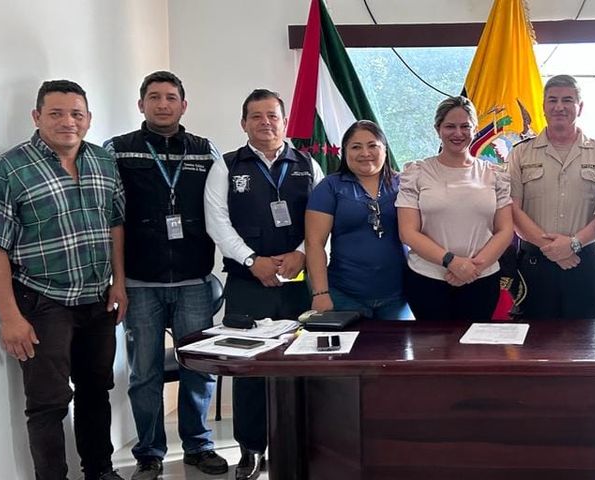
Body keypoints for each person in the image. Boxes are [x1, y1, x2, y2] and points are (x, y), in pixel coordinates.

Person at [0, 80, 127, 480]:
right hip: (42, 301)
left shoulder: (103, 161)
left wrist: (119, 282)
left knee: (96, 391)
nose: (68, 121)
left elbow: (115, 224)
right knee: (48, 403)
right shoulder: (8, 170)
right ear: (37, 117)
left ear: (88, 119)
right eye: (56, 113)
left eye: (76, 114)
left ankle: (100, 471)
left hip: (97, 299)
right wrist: (10, 317)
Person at [103, 71, 227, 479]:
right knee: (145, 374)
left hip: (194, 280)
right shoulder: (118, 150)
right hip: (140, 283)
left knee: (198, 367)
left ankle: (199, 446)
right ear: (141, 104)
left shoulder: (206, 152)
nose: (162, 104)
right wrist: (117, 279)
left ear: (183, 105)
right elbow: (109, 217)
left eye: (171, 97)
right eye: (154, 97)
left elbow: (221, 209)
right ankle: (149, 453)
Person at [204, 89, 323, 480]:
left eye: (272, 115)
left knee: (301, 363)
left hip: (297, 282)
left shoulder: (307, 165)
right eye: (256, 116)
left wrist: (302, 254)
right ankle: (251, 449)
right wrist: (251, 261)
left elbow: (323, 219)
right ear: (244, 123)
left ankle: (300, 443)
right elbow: (217, 222)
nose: (265, 123)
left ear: (285, 122)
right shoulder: (226, 166)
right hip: (247, 283)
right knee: (249, 368)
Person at [507, 74, 595, 320]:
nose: (559, 107)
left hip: (584, 258)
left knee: (587, 335)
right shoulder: (521, 153)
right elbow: (513, 209)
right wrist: (552, 248)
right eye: (553, 100)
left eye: (567, 100)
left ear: (580, 107)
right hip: (534, 261)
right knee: (532, 334)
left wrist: (573, 244)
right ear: (543, 106)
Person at [396, 96, 513, 320]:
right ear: (438, 129)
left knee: (476, 343)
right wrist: (452, 262)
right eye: (450, 126)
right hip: (427, 280)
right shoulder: (417, 173)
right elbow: (408, 232)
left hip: (481, 279)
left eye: (465, 126)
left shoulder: (495, 174)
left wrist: (472, 268)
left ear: (475, 129)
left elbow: (505, 230)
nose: (458, 133)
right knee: (431, 343)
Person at [305, 120, 408, 319]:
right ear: (345, 151)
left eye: (372, 145)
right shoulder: (330, 187)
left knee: (399, 342)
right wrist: (320, 293)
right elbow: (314, 243)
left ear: (385, 149)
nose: (365, 153)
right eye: (356, 147)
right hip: (343, 296)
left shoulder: (404, 184)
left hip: (399, 297)